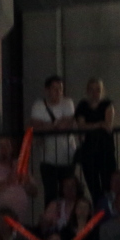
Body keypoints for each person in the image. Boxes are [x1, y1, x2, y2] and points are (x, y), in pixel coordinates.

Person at [30, 76, 76, 206]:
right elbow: (35, 127)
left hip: (67, 156)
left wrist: (47, 126)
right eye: (55, 89)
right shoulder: (38, 105)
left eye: (60, 89)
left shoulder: (68, 103)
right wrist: (56, 124)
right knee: (50, 194)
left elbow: (66, 125)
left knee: (68, 193)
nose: (58, 92)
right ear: (47, 90)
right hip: (47, 158)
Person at [74, 78, 116, 205]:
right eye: (91, 89)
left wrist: (90, 125)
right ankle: (98, 212)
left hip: (105, 151)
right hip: (89, 151)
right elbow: (81, 126)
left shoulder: (107, 104)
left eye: (98, 89)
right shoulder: (82, 105)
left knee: (107, 185)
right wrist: (99, 124)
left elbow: (108, 126)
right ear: (87, 91)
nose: (95, 93)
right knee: (93, 187)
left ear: (102, 91)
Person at [0, 134, 37, 224]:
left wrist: (26, 183)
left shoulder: (20, 165)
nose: (4, 149)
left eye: (7, 145)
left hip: (20, 220)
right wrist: (8, 182)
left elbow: (35, 192)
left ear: (12, 149)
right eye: (0, 146)